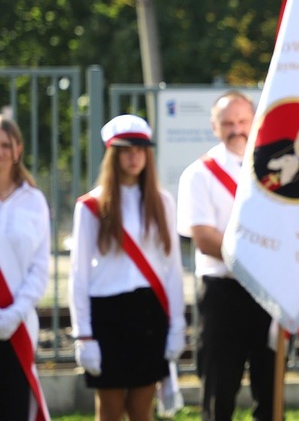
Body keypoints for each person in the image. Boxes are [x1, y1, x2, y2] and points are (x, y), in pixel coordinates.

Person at [69, 114, 185, 421]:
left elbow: (172, 268)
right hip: (107, 313)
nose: (134, 156)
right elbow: (79, 274)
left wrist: (177, 325)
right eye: (126, 149)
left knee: (141, 410)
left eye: (140, 149)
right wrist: (83, 335)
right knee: (109, 411)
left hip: (149, 312)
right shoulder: (91, 206)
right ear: (113, 154)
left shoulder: (162, 202)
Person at [177, 90, 275, 421]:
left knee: (271, 393)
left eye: (243, 121)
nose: (237, 129)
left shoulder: (274, 169)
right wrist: (257, 262)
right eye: (228, 123)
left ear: (254, 122)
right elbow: (204, 239)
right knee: (219, 393)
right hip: (223, 294)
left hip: (268, 293)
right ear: (214, 126)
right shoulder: (198, 174)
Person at [0, 116, 51, 421]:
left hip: (16, 325)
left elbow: (40, 268)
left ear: (18, 149)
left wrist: (14, 314)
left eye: (6, 145)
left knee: (14, 406)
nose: (0, 151)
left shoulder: (33, 201)